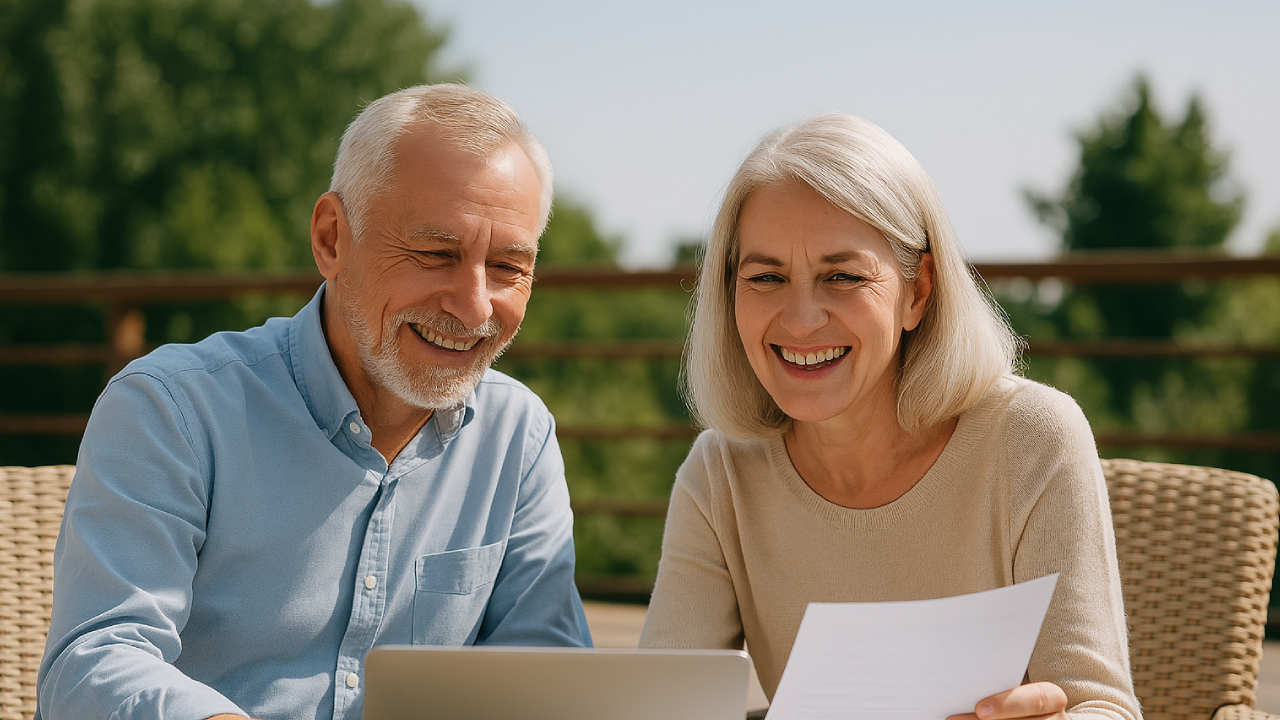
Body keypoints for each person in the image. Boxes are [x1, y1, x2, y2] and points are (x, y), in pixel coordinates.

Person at [37, 83, 591, 720]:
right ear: (332, 239)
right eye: (437, 254)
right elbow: (94, 666)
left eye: (507, 268)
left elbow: (545, 669)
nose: (474, 307)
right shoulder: (170, 410)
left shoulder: (517, 436)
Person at [639, 113, 1140, 720]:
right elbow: (661, 707)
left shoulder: (1032, 439)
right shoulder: (719, 476)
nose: (800, 321)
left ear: (917, 292)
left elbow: (1104, 709)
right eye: (766, 277)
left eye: (843, 277)